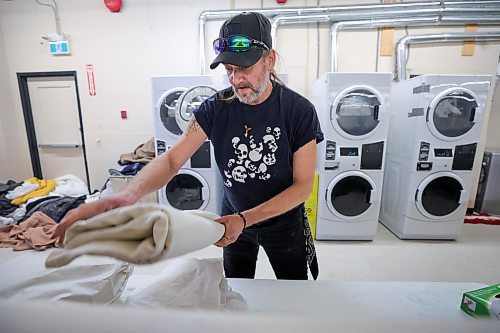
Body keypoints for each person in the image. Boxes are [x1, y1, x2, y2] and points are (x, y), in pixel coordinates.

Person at [53, 11, 323, 280]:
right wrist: (127, 195)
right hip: (232, 218)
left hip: (284, 222)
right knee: (239, 289)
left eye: (245, 68)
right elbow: (172, 160)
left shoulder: (298, 111)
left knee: (293, 291)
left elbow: (302, 186)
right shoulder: (216, 108)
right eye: (229, 70)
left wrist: (246, 219)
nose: (236, 79)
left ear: (270, 60)